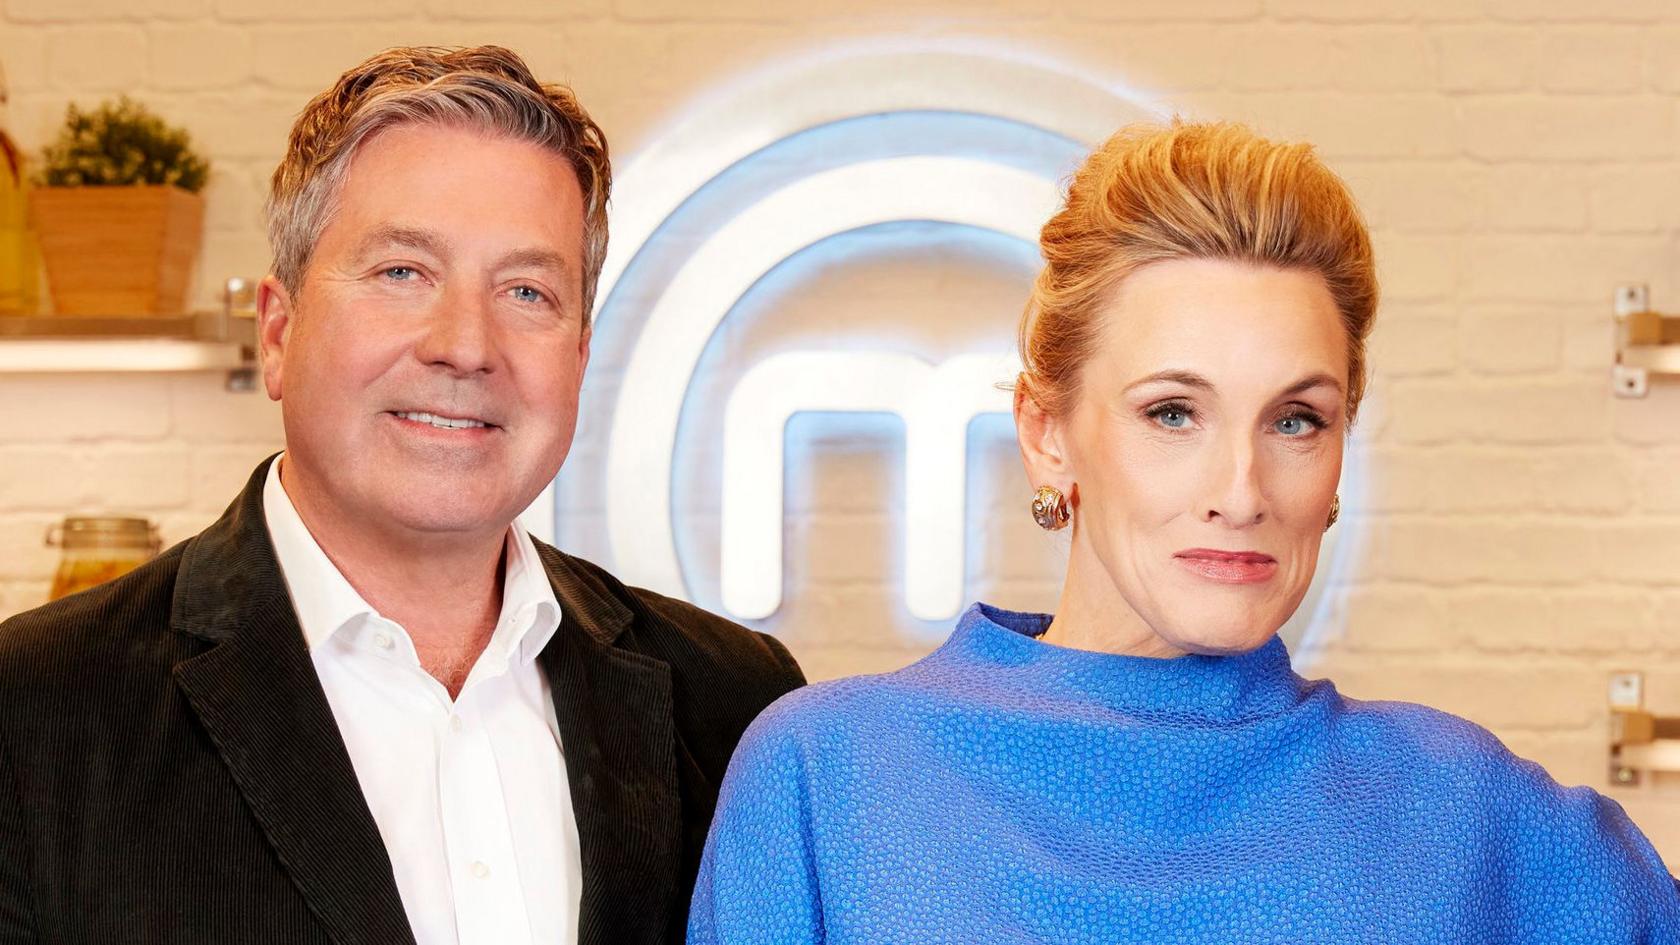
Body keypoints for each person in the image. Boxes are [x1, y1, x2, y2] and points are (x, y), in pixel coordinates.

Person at [687, 121, 1680, 944]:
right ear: (1047, 435)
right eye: (1173, 413)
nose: (1241, 491)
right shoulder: (829, 775)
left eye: (1297, 420)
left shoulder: (1465, 810)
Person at [0, 46, 803, 945]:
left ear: (579, 359)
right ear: (277, 330)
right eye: (402, 273)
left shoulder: (737, 707)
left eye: (528, 291)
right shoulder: (33, 712)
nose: (465, 344)